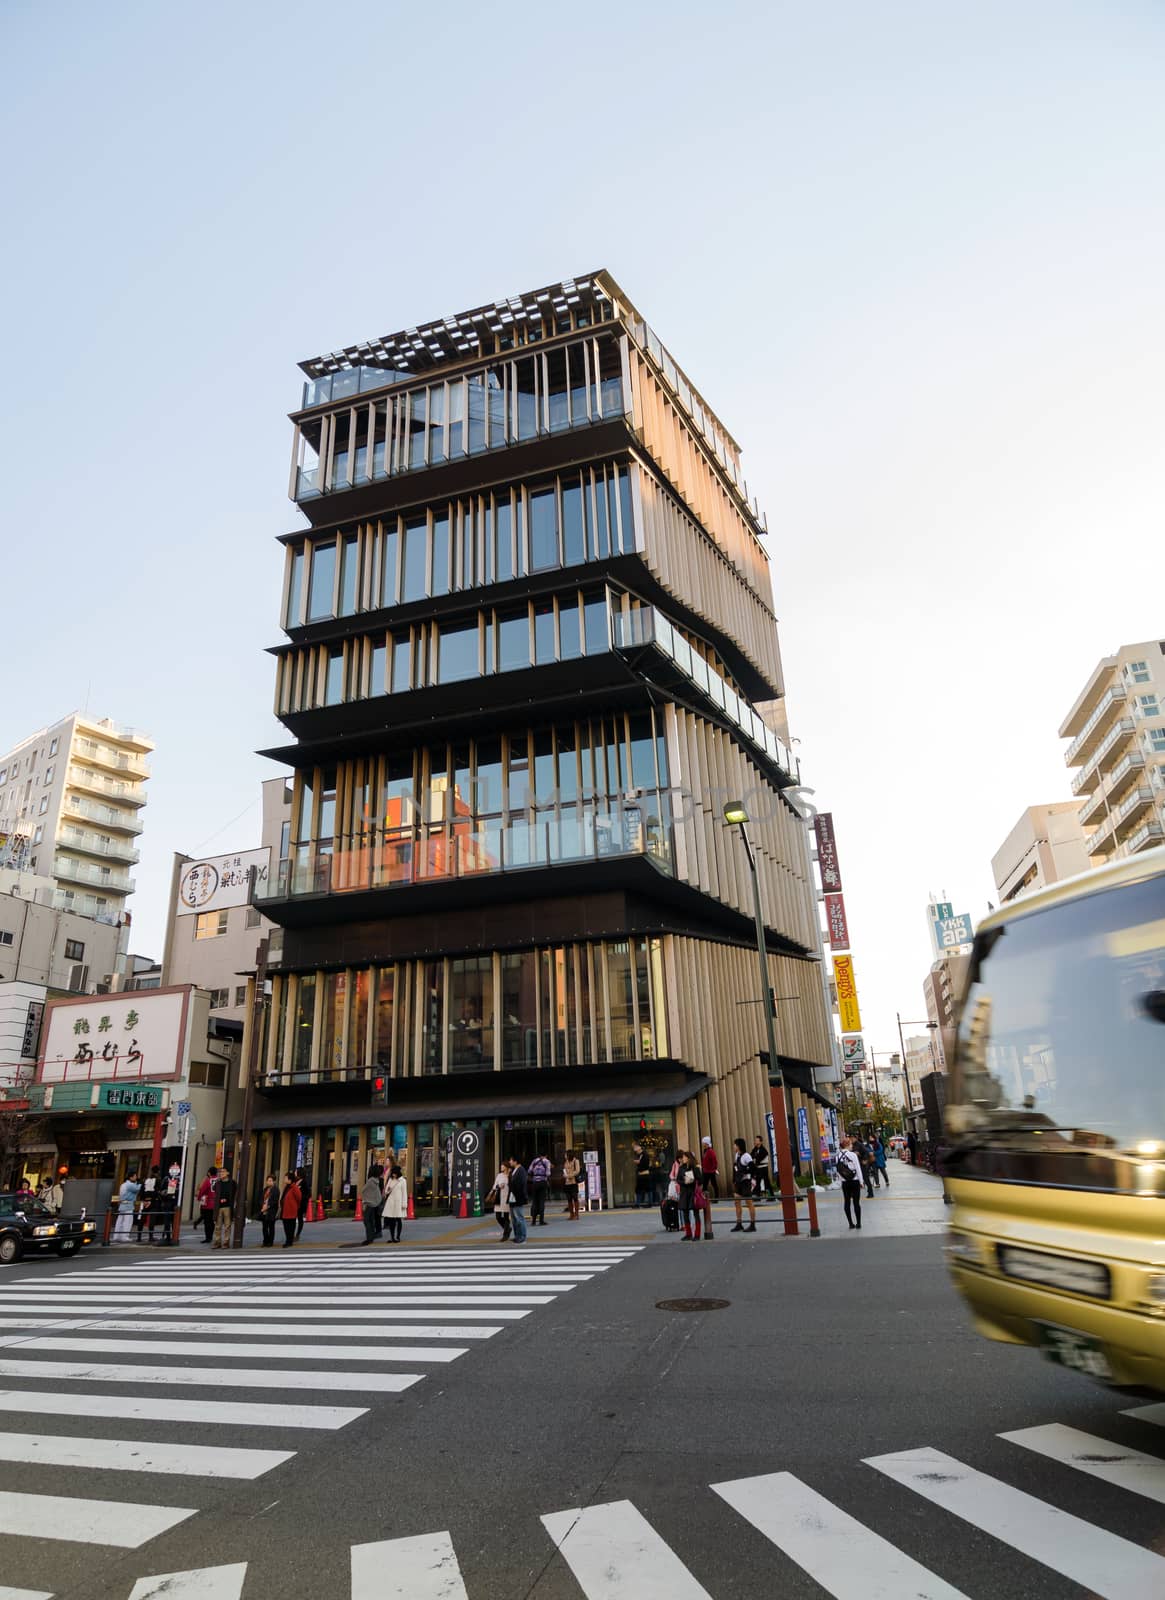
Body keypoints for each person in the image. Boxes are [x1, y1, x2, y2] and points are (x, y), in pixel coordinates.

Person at [730, 1138, 757, 1234]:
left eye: (734, 1145)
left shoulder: (746, 1156)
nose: (733, 1146)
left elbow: (753, 1168)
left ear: (738, 1146)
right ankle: (739, 1223)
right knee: (737, 1201)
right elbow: (735, 1167)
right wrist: (734, 1180)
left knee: (749, 1203)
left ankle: (753, 1224)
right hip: (738, 1182)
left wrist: (745, 1171)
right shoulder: (737, 1155)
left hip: (746, 1182)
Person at [836, 1137, 864, 1230]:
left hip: (845, 1182)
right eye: (851, 1144)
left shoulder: (837, 1156)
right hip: (855, 1181)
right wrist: (861, 1181)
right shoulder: (852, 1155)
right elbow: (858, 1168)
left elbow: (838, 1170)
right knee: (856, 1202)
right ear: (847, 1145)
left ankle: (850, 1223)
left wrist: (841, 1181)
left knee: (847, 1202)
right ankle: (859, 1223)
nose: (852, 1146)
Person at [677, 1150, 704, 1241]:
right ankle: (688, 1234)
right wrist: (684, 1181)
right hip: (684, 1192)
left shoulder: (695, 1168)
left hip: (693, 1192)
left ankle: (697, 1234)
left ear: (688, 1158)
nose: (682, 1159)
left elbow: (701, 1180)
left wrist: (693, 1180)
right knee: (685, 1213)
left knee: (696, 1214)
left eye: (684, 1157)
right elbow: (678, 1179)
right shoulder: (681, 1168)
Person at [506, 1157, 529, 1244]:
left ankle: (522, 1236)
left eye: (511, 1160)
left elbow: (522, 1184)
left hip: (518, 1197)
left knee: (519, 1217)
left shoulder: (521, 1170)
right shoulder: (513, 1170)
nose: (509, 1162)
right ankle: (517, 1236)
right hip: (512, 1197)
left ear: (515, 1161)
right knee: (514, 1218)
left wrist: (519, 1196)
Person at [136, 1164, 161, 1243]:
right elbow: (158, 1191)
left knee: (142, 1219)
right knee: (152, 1219)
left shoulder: (145, 1180)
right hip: (153, 1201)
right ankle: (150, 1237)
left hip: (145, 1201)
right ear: (158, 1172)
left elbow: (141, 1191)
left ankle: (139, 1237)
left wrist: (143, 1199)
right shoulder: (157, 1180)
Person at [382, 1165, 407, 1243]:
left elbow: (404, 1193)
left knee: (398, 1219)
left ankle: (398, 1237)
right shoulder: (390, 1179)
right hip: (391, 1202)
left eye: (395, 1173)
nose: (394, 1175)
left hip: (398, 1202)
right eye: (393, 1173)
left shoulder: (402, 1180)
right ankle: (392, 1237)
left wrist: (404, 1204)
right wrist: (388, 1190)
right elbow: (386, 1191)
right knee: (391, 1220)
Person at [213, 1167, 237, 1250]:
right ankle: (217, 1242)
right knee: (218, 1225)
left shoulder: (232, 1183)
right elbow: (215, 1192)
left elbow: (235, 1192)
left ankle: (226, 1242)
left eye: (223, 1172)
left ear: (227, 1173)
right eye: (220, 1172)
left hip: (228, 1206)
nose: (221, 1173)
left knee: (227, 1225)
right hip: (219, 1206)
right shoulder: (218, 1183)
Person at [113, 1172, 141, 1240]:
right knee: (127, 1221)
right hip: (128, 1205)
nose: (136, 1178)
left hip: (122, 1205)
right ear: (130, 1177)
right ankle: (124, 1237)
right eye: (135, 1176)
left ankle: (116, 1236)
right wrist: (141, 1183)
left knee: (120, 1221)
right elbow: (137, 1188)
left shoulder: (123, 1184)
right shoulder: (130, 1185)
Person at [487, 1163, 511, 1240]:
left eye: (502, 1166)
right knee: (498, 1217)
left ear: (507, 1167)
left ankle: (505, 1235)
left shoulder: (510, 1175)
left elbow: (512, 1185)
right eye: (501, 1166)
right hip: (498, 1197)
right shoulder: (499, 1175)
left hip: (507, 1197)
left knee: (506, 1216)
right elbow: (495, 1185)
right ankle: (507, 1229)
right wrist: (498, 1186)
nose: (501, 1167)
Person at [528, 1150, 552, 1226]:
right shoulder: (547, 1161)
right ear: (546, 1155)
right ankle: (541, 1220)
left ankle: (533, 1221)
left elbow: (529, 1170)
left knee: (534, 1201)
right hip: (542, 1182)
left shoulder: (534, 1161)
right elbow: (548, 1173)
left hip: (534, 1182)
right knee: (541, 1201)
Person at [360, 1168, 383, 1245]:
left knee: (367, 1221)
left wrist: (365, 1199)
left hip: (368, 1204)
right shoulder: (376, 1181)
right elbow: (377, 1194)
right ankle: (372, 1235)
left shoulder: (370, 1181)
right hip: (374, 1204)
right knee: (371, 1220)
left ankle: (369, 1238)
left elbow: (363, 1190)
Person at [196, 1167, 218, 1244]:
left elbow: (202, 1190)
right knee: (212, 1221)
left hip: (208, 1204)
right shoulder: (219, 1180)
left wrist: (198, 1198)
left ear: (209, 1173)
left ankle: (208, 1237)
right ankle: (211, 1236)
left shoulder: (208, 1180)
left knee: (207, 1221)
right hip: (216, 1204)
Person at [280, 1170, 302, 1247]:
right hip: (285, 1211)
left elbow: (299, 1198)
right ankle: (288, 1240)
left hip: (291, 1211)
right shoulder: (287, 1187)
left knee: (290, 1227)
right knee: (286, 1226)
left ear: (290, 1179)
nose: (284, 1179)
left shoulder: (294, 1187)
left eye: (285, 1178)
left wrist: (295, 1206)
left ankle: (289, 1241)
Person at [259, 1173, 279, 1247]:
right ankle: (265, 1241)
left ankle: (270, 1241)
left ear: (274, 1182)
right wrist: (262, 1205)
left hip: (271, 1210)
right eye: (268, 1180)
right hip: (264, 1210)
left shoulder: (276, 1190)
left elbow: (275, 1201)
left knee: (271, 1227)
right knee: (264, 1227)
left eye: (270, 1181)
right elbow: (260, 1199)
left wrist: (267, 1206)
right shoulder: (265, 1189)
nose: (268, 1182)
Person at [751, 1135, 774, 1201]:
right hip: (758, 1168)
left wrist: (754, 1159)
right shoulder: (755, 1149)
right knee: (757, 1182)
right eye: (755, 1140)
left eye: (757, 1141)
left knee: (767, 1182)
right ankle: (757, 1197)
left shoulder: (764, 1150)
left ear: (761, 1142)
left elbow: (757, 1159)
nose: (755, 1142)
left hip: (763, 1168)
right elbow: (751, 1156)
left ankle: (771, 1196)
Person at [562, 1150, 582, 1222]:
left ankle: (576, 1214)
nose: (565, 1156)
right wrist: (564, 1175)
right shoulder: (566, 1161)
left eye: (566, 1154)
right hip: (567, 1183)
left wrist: (569, 1176)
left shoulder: (576, 1161)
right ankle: (571, 1214)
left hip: (573, 1182)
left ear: (569, 1155)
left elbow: (577, 1171)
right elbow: (565, 1170)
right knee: (569, 1199)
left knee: (575, 1198)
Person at [632, 1142, 652, 1209]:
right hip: (641, 1174)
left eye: (635, 1147)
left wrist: (639, 1163)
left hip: (644, 1174)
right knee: (639, 1189)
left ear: (639, 1147)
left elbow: (646, 1164)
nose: (634, 1148)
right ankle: (638, 1203)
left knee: (647, 1189)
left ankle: (649, 1203)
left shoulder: (644, 1154)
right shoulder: (639, 1155)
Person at [699, 1137, 719, 1201]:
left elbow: (714, 1161)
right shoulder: (705, 1151)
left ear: (707, 1144)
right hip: (706, 1171)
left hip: (710, 1171)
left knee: (713, 1184)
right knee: (705, 1185)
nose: (703, 1145)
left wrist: (714, 1168)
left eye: (704, 1143)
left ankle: (716, 1198)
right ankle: (704, 1198)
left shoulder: (710, 1151)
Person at [295, 1169, 309, 1239]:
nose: (295, 1172)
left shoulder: (304, 1182)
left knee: (300, 1219)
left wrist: (301, 1197)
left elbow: (308, 1194)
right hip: (294, 1203)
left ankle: (298, 1234)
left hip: (301, 1204)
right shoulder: (295, 1181)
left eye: (296, 1171)